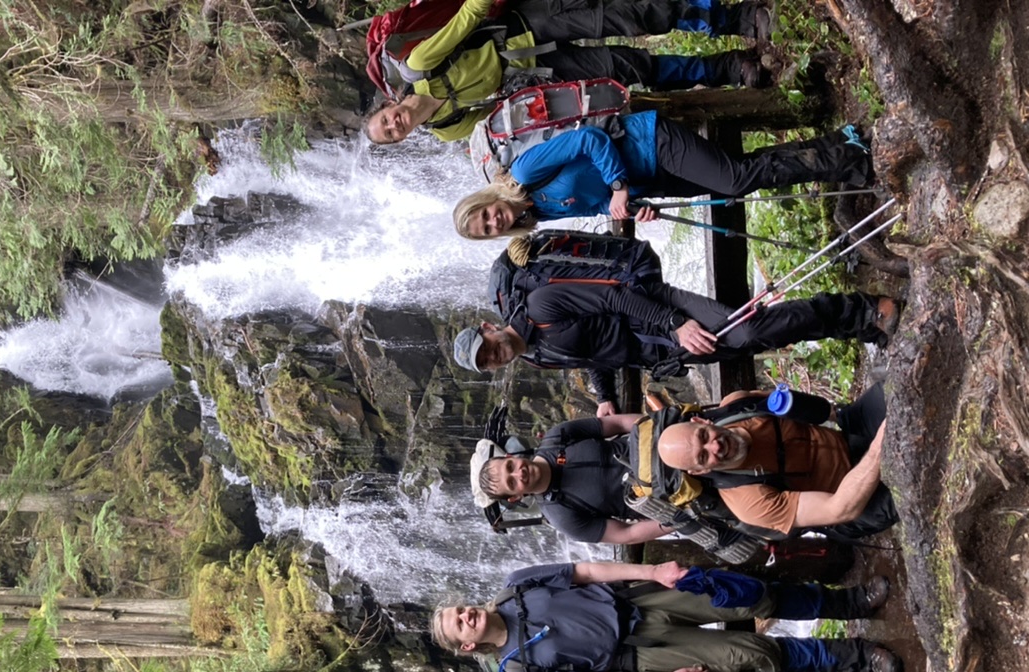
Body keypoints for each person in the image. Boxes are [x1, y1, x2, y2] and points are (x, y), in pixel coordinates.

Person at [452, 230, 898, 411]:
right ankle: (859, 326)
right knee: (749, 342)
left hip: (657, 312)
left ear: (488, 327)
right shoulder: (535, 354)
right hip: (657, 350)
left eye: (486, 347)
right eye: (486, 362)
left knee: (747, 329)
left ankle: (866, 310)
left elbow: (613, 296)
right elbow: (592, 355)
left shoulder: (540, 306)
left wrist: (675, 323)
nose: (493, 356)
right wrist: (605, 397)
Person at [430, 560, 901, 672]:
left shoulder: (517, 585)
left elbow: (586, 572)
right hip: (640, 652)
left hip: (638, 598)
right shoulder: (522, 671)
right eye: (460, 623)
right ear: (468, 645)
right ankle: (858, 657)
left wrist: (653, 572)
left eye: (462, 609)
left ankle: (852, 601)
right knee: (748, 653)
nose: (467, 614)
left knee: (747, 596)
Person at [365, 0, 770, 145]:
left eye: (386, 121)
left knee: (630, 16)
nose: (395, 125)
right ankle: (730, 68)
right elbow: (499, 114)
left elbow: (468, 16)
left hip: (530, 24)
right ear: (401, 139)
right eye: (391, 134)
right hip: (534, 74)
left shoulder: (419, 65)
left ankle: (736, 18)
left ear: (388, 105)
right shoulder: (446, 128)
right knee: (627, 69)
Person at [451, 121, 872, 237]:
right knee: (740, 172)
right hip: (652, 176)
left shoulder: (524, 174)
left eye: (485, 215)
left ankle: (851, 153)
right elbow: (597, 204)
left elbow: (588, 140)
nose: (493, 221)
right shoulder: (537, 213)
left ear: (486, 200)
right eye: (486, 229)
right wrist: (632, 208)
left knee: (735, 180)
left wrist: (618, 186)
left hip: (651, 141)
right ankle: (840, 148)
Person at [656, 382, 896, 540]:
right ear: (700, 471)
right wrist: (878, 450)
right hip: (851, 498)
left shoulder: (739, 405)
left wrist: (838, 414)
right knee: (905, 488)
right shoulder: (748, 502)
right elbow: (840, 509)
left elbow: (807, 408)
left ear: (701, 422)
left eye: (703, 436)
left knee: (894, 392)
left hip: (847, 440)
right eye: (703, 456)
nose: (715, 446)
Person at [471, 416, 669, 545]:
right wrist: (675, 521)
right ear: (515, 497)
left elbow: (619, 424)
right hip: (668, 494)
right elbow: (627, 534)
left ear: (510, 457)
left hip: (661, 443)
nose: (518, 473)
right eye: (512, 483)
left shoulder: (557, 438)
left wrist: (662, 422)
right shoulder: (563, 517)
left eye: (510, 467)